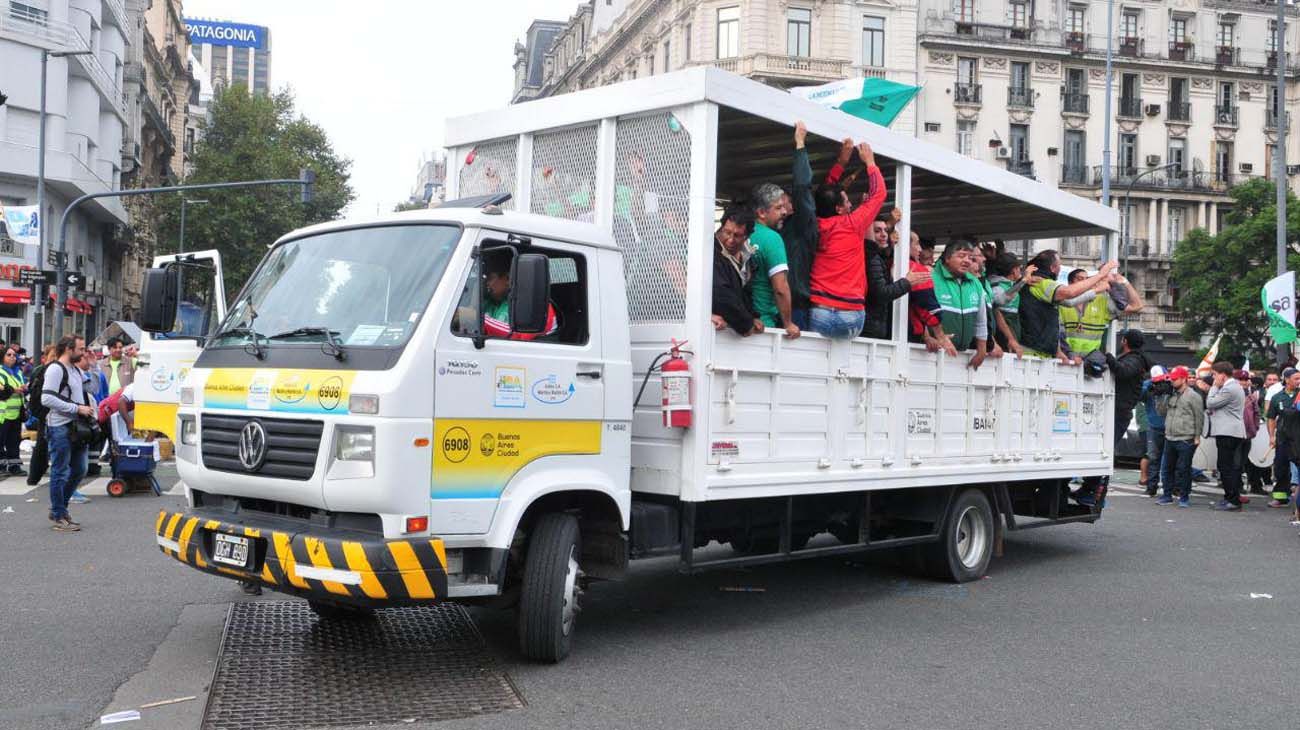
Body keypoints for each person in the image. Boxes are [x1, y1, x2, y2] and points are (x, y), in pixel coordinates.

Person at [808, 141, 886, 338]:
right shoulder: (852, 224)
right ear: (839, 209)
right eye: (846, 200)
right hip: (850, 313)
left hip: (820, 309)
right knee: (843, 367)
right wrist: (870, 163)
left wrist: (841, 163)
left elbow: (825, 194)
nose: (851, 203)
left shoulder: (815, 224)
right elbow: (879, 194)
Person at [1018, 251, 1118, 359]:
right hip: (1032, 352)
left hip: (1040, 351)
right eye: (1059, 265)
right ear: (1052, 268)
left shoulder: (1036, 282)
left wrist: (1058, 350)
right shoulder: (1041, 282)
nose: (1060, 269)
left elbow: (1069, 302)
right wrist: (1100, 275)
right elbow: (1069, 293)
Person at [42, 335, 96, 532]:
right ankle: (58, 514)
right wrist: (76, 409)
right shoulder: (56, 369)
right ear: (68, 349)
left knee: (80, 469)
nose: (83, 352)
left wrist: (91, 364)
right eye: (81, 349)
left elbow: (91, 389)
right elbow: (46, 398)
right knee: (60, 471)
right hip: (60, 426)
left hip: (76, 428)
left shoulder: (75, 369)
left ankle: (59, 508)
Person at [932, 241, 1000, 369]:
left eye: (970, 257)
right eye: (961, 256)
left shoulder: (975, 283)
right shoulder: (931, 278)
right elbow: (917, 313)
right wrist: (928, 338)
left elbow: (981, 322)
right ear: (947, 258)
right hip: (930, 356)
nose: (967, 261)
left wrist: (981, 351)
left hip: (962, 358)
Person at [863, 212, 929, 340]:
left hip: (875, 328)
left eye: (885, 231)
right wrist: (907, 282)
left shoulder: (879, 258)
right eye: (877, 231)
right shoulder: (872, 259)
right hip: (870, 329)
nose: (884, 235)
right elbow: (881, 293)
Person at [782, 121, 821, 330]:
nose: (780, 205)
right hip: (784, 304)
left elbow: (802, 187)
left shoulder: (801, 224)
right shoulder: (785, 226)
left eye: (784, 200)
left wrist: (800, 146)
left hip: (797, 307)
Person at [748, 182, 799, 338]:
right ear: (762, 212)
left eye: (784, 206)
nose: (784, 212)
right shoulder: (772, 238)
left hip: (742, 320)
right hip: (764, 324)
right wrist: (788, 323)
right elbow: (780, 288)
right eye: (778, 208)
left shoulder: (741, 233)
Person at [1060, 268, 1144, 357]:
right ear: (1070, 284)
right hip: (1065, 361)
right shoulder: (1062, 303)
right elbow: (1057, 336)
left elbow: (1137, 306)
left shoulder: (1102, 301)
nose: (1085, 283)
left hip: (1091, 363)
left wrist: (1125, 282)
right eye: (1080, 279)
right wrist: (1070, 355)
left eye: (1087, 279)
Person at [1196, 361, 1246, 511]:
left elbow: (1210, 403)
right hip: (1229, 431)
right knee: (1226, 466)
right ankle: (1230, 498)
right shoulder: (1231, 386)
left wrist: (1213, 387)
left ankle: (1233, 501)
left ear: (1223, 376)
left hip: (1228, 432)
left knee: (1226, 467)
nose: (1213, 378)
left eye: (1215, 375)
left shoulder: (1229, 388)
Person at [479, 256, 560, 341]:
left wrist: (478, 319)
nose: (486, 283)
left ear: (507, 279)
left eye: (490, 278)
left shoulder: (538, 304)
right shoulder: (492, 301)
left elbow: (518, 337)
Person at [711, 205, 763, 336]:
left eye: (737, 235)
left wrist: (752, 317)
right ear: (721, 227)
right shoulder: (711, 253)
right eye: (727, 232)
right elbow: (721, 293)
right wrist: (745, 324)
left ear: (747, 236)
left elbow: (743, 293)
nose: (730, 240)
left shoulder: (748, 255)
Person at [1157, 366, 1204, 507]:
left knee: (1183, 469)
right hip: (1170, 436)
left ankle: (1184, 497)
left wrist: (1197, 436)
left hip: (1186, 437)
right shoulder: (1171, 394)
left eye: (1175, 379)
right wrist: (1162, 396)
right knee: (1166, 468)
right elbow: (1161, 412)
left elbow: (1199, 417)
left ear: (1183, 379)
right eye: (1171, 379)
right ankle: (1166, 495)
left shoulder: (1193, 396)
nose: (1172, 381)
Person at [987, 253, 1034, 357]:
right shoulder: (996, 285)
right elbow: (1000, 299)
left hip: (1013, 331)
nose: (1021, 271)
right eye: (1019, 268)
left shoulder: (1011, 284)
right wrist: (1023, 281)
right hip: (1002, 336)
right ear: (1014, 270)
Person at [1266, 367, 1300, 509]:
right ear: (1286, 379)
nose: (1299, 381)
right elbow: (1271, 419)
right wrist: (1272, 436)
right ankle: (1281, 497)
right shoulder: (1277, 397)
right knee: (1280, 467)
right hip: (1283, 438)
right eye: (1296, 378)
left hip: (1298, 439)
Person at [25, 345, 55, 487]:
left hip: (52, 413)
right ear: (45, 358)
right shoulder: (40, 371)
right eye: (52, 357)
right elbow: (35, 395)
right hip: (45, 414)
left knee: (45, 445)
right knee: (42, 445)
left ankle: (38, 473)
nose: (55, 360)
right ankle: (34, 475)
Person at [1141, 366, 1171, 497]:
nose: (1160, 385)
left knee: (1170, 459)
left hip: (1171, 427)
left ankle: (1172, 487)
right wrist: (1149, 386)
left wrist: (1169, 385)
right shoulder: (1148, 386)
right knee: (1153, 458)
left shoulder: (1171, 385)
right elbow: (1139, 395)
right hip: (1154, 427)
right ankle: (1151, 486)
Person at [0, 348, 25, 476]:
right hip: (3, 413)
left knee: (14, 441)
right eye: (9, 355)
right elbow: (2, 391)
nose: (12, 357)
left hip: (16, 413)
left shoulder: (17, 372)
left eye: (14, 355)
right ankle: (1, 467)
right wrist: (14, 390)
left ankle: (14, 465)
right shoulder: (1, 371)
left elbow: (21, 386)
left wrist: (25, 388)